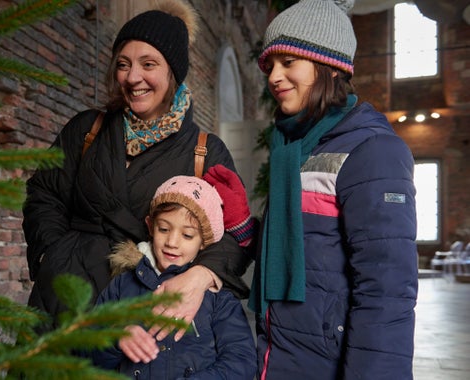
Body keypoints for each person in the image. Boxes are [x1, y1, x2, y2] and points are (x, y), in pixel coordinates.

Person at [206, 0, 418, 379]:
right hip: (278, 352)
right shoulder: (295, 148)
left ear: (331, 66)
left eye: (289, 62)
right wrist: (242, 224)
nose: (273, 76)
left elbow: (386, 292)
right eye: (270, 65)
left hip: (327, 364)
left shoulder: (373, 151)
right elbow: (302, 246)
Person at [21, 0, 255, 333]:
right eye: (123, 64)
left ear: (172, 72)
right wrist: (52, 257)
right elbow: (44, 193)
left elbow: (235, 234)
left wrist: (200, 276)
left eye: (148, 64)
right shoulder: (87, 129)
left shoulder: (205, 151)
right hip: (60, 301)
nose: (133, 78)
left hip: (146, 310)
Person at [91, 175, 256, 379]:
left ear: (204, 241)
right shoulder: (122, 285)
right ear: (150, 226)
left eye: (187, 235)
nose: (172, 242)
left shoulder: (218, 298)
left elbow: (242, 362)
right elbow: (86, 352)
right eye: (164, 229)